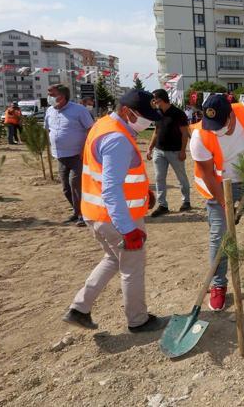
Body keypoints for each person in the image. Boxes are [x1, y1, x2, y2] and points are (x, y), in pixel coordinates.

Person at [63, 90, 165, 333]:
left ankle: (79, 308)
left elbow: (110, 177)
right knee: (132, 266)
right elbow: (111, 189)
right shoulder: (117, 139)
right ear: (126, 111)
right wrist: (128, 229)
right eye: (144, 117)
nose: (148, 123)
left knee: (112, 259)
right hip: (117, 219)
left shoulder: (103, 126)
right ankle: (138, 320)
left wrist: (143, 194)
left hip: (96, 214)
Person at [190, 94, 244, 311]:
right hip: (217, 186)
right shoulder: (200, 137)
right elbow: (208, 175)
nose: (217, 131)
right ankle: (218, 284)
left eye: (221, 125)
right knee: (219, 236)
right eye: (213, 126)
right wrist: (225, 202)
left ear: (230, 115)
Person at [44, 84, 95, 227]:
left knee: (76, 185)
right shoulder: (49, 111)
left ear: (62, 96)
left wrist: (84, 149)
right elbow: (48, 130)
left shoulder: (79, 110)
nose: (49, 97)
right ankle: (76, 211)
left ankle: (83, 215)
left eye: (52, 94)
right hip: (60, 156)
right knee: (66, 188)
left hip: (77, 155)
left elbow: (91, 129)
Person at [146, 89, 192, 217]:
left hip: (175, 151)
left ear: (161, 99)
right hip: (159, 151)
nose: (153, 102)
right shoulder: (157, 113)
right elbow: (156, 131)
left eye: (154, 99)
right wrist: (150, 148)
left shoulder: (178, 113)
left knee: (181, 177)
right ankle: (162, 205)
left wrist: (183, 150)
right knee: (159, 178)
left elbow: (184, 133)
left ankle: (186, 201)